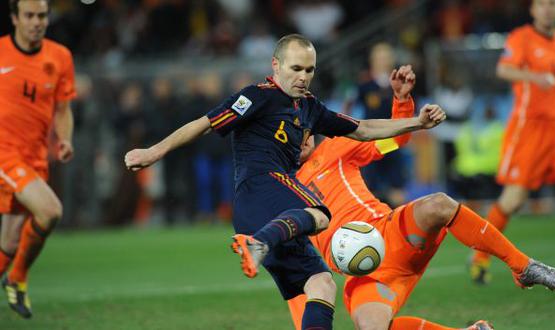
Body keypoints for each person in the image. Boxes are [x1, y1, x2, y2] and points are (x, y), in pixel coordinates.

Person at [125, 34, 446, 329]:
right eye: (296, 68)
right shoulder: (257, 96)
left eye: (310, 69)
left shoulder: (309, 107)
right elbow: (205, 123)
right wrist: (154, 151)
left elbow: (362, 128)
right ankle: (258, 243)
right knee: (321, 214)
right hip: (261, 188)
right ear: (276, 66)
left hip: (273, 214)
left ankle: (262, 242)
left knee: (321, 283)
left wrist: (416, 122)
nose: (303, 76)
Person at [287, 70, 555, 329]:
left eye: (306, 126)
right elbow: (297, 277)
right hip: (363, 274)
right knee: (372, 328)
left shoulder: (335, 149)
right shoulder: (279, 191)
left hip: (392, 233)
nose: (304, 134)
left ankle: (523, 267)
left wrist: (402, 100)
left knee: (438, 204)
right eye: (294, 130)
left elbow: (395, 139)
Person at [470, 0, 555, 285]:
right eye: (541, 4)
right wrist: (533, 76)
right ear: (532, 10)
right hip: (529, 127)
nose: (547, 9)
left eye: (553, 4)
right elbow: (504, 70)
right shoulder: (521, 38)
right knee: (513, 200)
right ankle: (480, 257)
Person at [0, 0, 77, 319]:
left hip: (34, 158)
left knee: (9, 243)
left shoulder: (60, 57)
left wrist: (65, 139)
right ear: (15, 18)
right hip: (5, 154)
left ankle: (12, 273)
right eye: (29, 15)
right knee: (50, 211)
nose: (36, 22)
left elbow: (62, 108)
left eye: (42, 15)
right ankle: (17, 279)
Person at [343, 42, 409, 206]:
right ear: (372, 60)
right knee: (368, 185)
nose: (382, 61)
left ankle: (398, 225)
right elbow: (348, 108)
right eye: (379, 57)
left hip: (393, 140)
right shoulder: (364, 84)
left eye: (385, 57)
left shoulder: (399, 84)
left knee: (397, 187)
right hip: (371, 142)